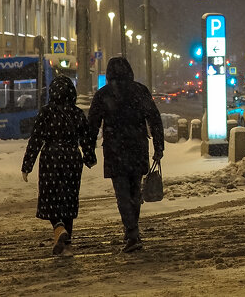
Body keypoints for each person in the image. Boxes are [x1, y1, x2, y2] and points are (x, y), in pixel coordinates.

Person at [87, 56, 164, 253]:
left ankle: (131, 232)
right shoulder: (140, 91)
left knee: (122, 194)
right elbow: (154, 118)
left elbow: (92, 125)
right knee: (134, 192)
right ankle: (132, 230)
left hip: (115, 150)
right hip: (137, 147)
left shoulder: (103, 94)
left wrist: (88, 151)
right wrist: (158, 145)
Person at [21, 74, 96, 256]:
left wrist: (27, 165)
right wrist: (89, 157)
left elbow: (36, 139)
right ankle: (66, 244)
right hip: (72, 158)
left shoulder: (46, 112)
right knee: (69, 199)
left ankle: (58, 227)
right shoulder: (77, 113)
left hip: (51, 158)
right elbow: (86, 138)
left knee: (50, 197)